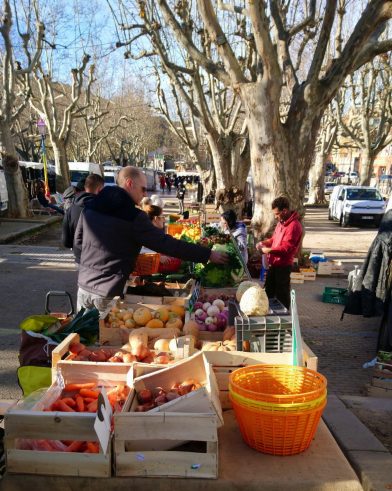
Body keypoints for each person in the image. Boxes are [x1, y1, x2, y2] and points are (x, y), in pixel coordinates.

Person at [74, 166, 228, 315]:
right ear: (129, 184)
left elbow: (78, 242)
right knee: (104, 338)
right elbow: (168, 245)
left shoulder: (90, 206)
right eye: (143, 189)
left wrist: (90, 268)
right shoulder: (134, 217)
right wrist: (207, 254)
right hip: (107, 292)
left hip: (83, 287)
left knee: (83, 337)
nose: (145, 194)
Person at [256, 196, 302, 309]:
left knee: (282, 294)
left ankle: (285, 318)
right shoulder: (281, 223)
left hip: (283, 266)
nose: (276, 217)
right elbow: (274, 240)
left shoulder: (294, 226)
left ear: (284, 211)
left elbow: (287, 248)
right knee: (269, 291)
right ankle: (269, 316)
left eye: (277, 214)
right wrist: (264, 243)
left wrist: (269, 250)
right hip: (274, 263)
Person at [62, 173, 104, 263]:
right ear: (100, 189)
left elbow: (66, 241)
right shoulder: (104, 209)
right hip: (99, 259)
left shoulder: (71, 209)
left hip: (79, 256)